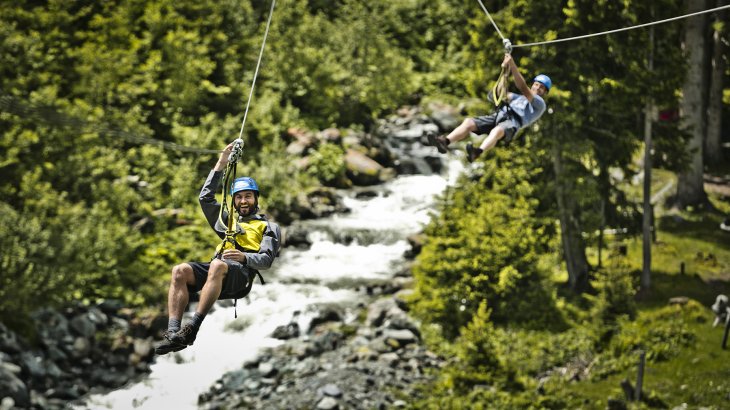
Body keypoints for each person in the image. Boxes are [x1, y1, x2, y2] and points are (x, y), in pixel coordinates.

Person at [154, 142, 281, 355]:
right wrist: (221, 163)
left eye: (248, 196)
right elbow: (205, 198)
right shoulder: (228, 222)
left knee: (217, 265)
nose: (243, 201)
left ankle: (192, 329)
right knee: (179, 271)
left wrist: (244, 257)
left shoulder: (268, 227)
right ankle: (174, 333)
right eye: (239, 197)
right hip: (219, 271)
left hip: (240, 276)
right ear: (234, 201)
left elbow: (266, 260)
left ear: (256, 199)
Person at [428, 54, 551, 162]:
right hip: (499, 116)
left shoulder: (540, 104)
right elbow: (500, 93)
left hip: (512, 123)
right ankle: (445, 142)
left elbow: (522, 86)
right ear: (533, 84)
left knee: (497, 131)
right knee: (468, 122)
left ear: (544, 92)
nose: (537, 88)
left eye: (541, 88)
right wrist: (505, 72)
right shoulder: (518, 98)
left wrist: (512, 64)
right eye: (536, 84)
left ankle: (478, 152)